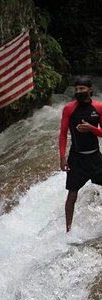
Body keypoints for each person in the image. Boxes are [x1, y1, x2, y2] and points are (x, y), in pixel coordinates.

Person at [59, 76, 102, 232]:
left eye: (82, 89)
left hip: (95, 157)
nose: (78, 91)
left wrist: (92, 129)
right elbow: (63, 133)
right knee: (72, 194)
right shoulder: (69, 109)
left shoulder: (98, 108)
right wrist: (62, 157)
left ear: (90, 90)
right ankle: (68, 230)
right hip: (76, 158)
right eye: (76, 89)